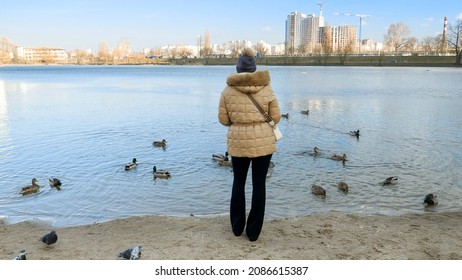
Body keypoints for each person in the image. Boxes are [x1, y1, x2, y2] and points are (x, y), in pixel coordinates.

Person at [218, 48, 281, 242]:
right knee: (259, 184)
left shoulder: (228, 90)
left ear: (238, 68)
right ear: (254, 69)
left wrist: (239, 123)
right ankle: (253, 232)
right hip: (263, 141)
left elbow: (223, 119)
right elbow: (276, 117)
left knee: (239, 182)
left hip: (238, 141)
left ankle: (237, 227)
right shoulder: (267, 87)